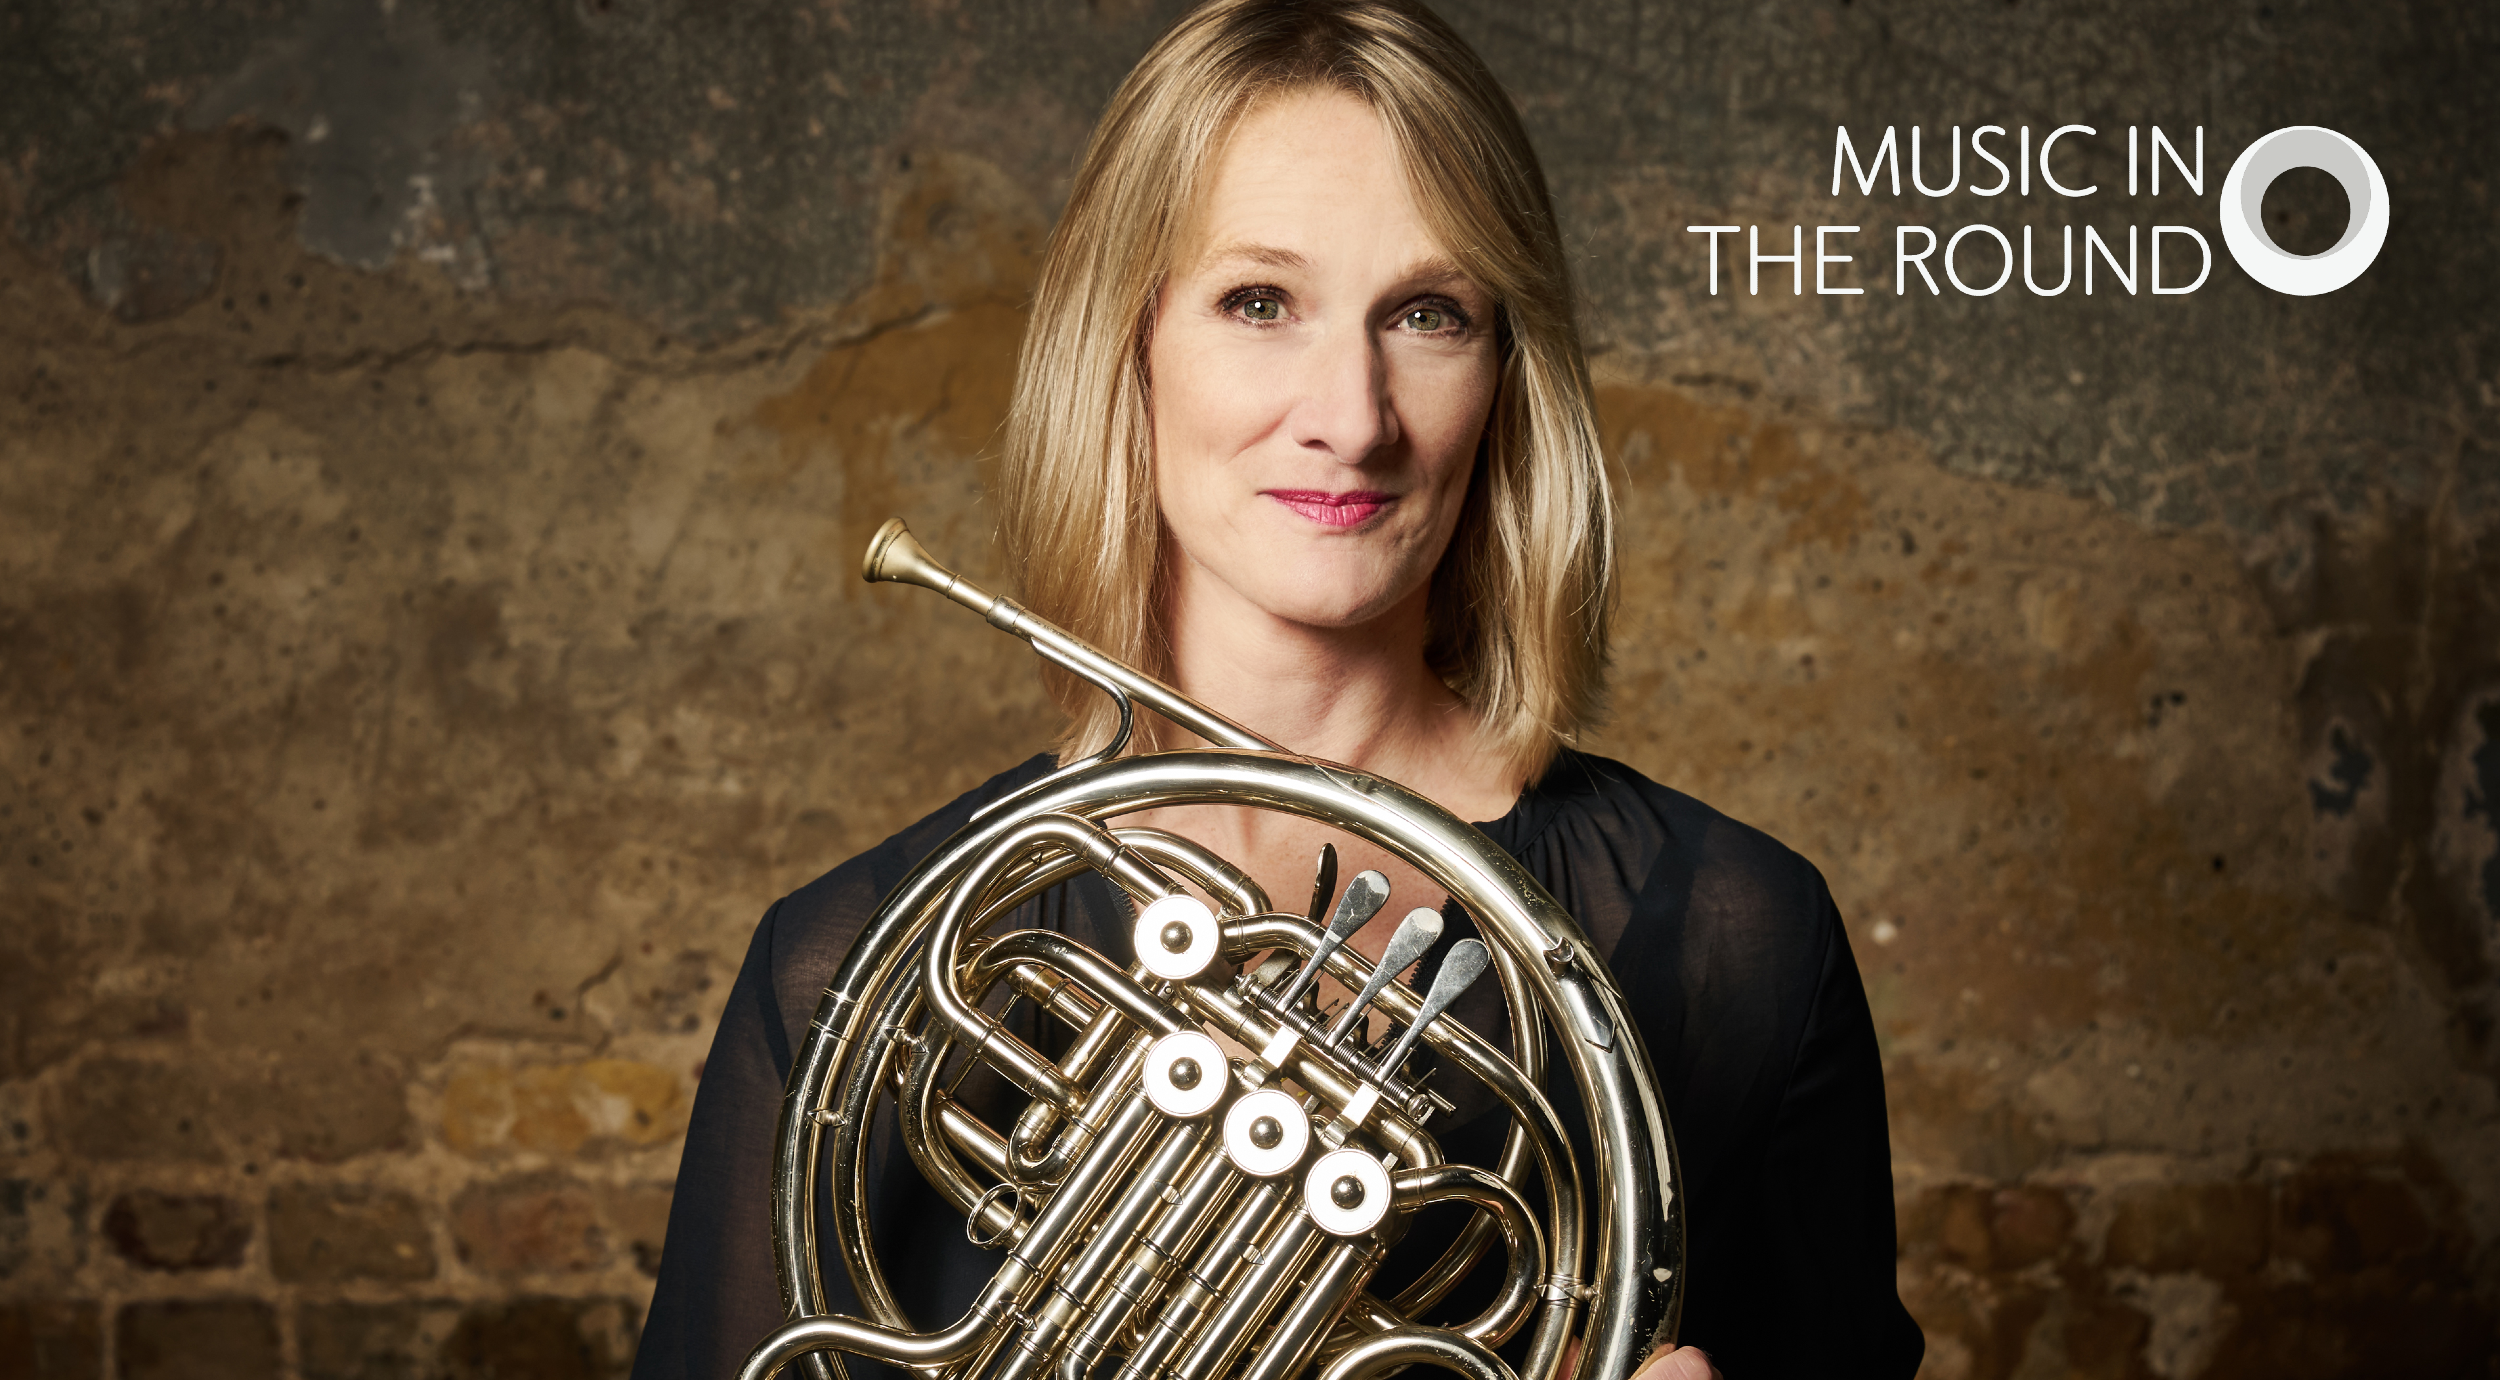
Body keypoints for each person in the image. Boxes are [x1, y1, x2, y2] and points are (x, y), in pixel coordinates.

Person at [632, 2, 1924, 1378]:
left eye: (1429, 315)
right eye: (1260, 303)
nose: (1353, 416)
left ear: (1505, 375)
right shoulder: (855, 973)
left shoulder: (1735, 940)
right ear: (1125, 343)